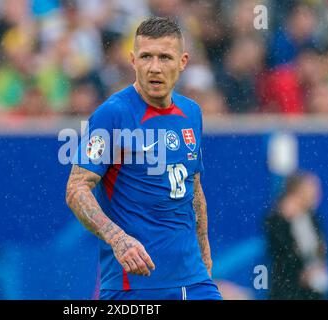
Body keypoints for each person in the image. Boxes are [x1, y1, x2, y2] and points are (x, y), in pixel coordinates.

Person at [66, 17, 221, 300]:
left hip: (194, 280)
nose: (154, 67)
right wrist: (118, 239)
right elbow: (76, 188)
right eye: (146, 56)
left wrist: (205, 257)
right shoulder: (113, 114)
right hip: (135, 286)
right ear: (132, 60)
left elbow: (194, 188)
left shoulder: (192, 113)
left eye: (164, 57)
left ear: (183, 61)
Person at [265, 172, 328, 300]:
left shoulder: (312, 217)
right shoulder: (278, 218)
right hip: (288, 290)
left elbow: (322, 247)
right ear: (298, 191)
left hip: (314, 289)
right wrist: (299, 273)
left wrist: (318, 267)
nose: (317, 195)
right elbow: (280, 252)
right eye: (312, 190)